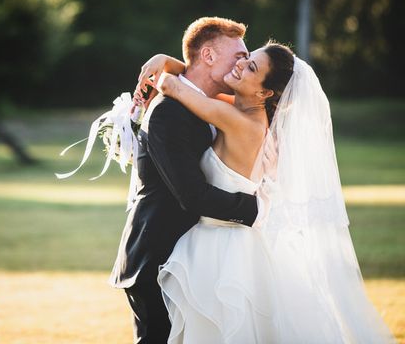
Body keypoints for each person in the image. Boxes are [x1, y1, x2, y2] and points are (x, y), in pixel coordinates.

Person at [136, 42, 395, 343]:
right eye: (246, 58)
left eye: (251, 67)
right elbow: (200, 87)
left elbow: (175, 87)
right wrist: (171, 63)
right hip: (235, 238)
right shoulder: (245, 114)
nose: (241, 65)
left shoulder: (236, 120)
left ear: (264, 93)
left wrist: (163, 61)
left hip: (222, 247)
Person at [108, 17, 267, 343]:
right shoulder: (169, 113)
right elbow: (192, 195)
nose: (243, 64)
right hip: (157, 260)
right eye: (239, 56)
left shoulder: (207, 105)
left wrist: (170, 64)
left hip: (193, 258)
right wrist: (261, 210)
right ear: (208, 56)